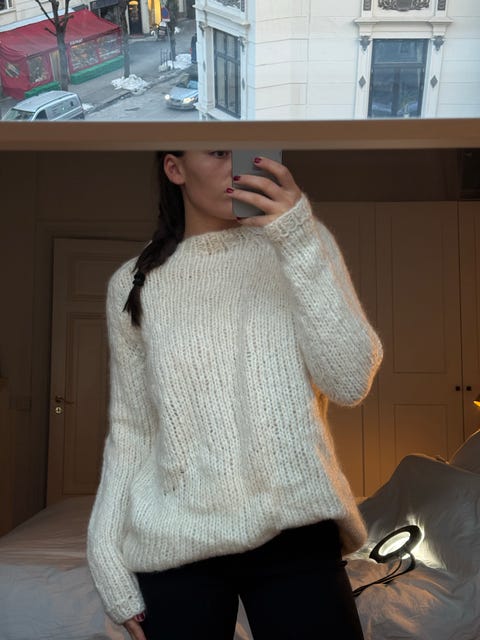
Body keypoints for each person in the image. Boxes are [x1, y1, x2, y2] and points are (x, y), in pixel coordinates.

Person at [87, 150, 383, 640]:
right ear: (175, 169)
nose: (237, 166)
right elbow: (132, 431)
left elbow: (350, 382)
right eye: (218, 152)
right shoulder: (134, 281)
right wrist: (105, 555)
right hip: (176, 541)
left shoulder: (299, 241)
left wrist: (296, 236)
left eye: (244, 149)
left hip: (295, 530)